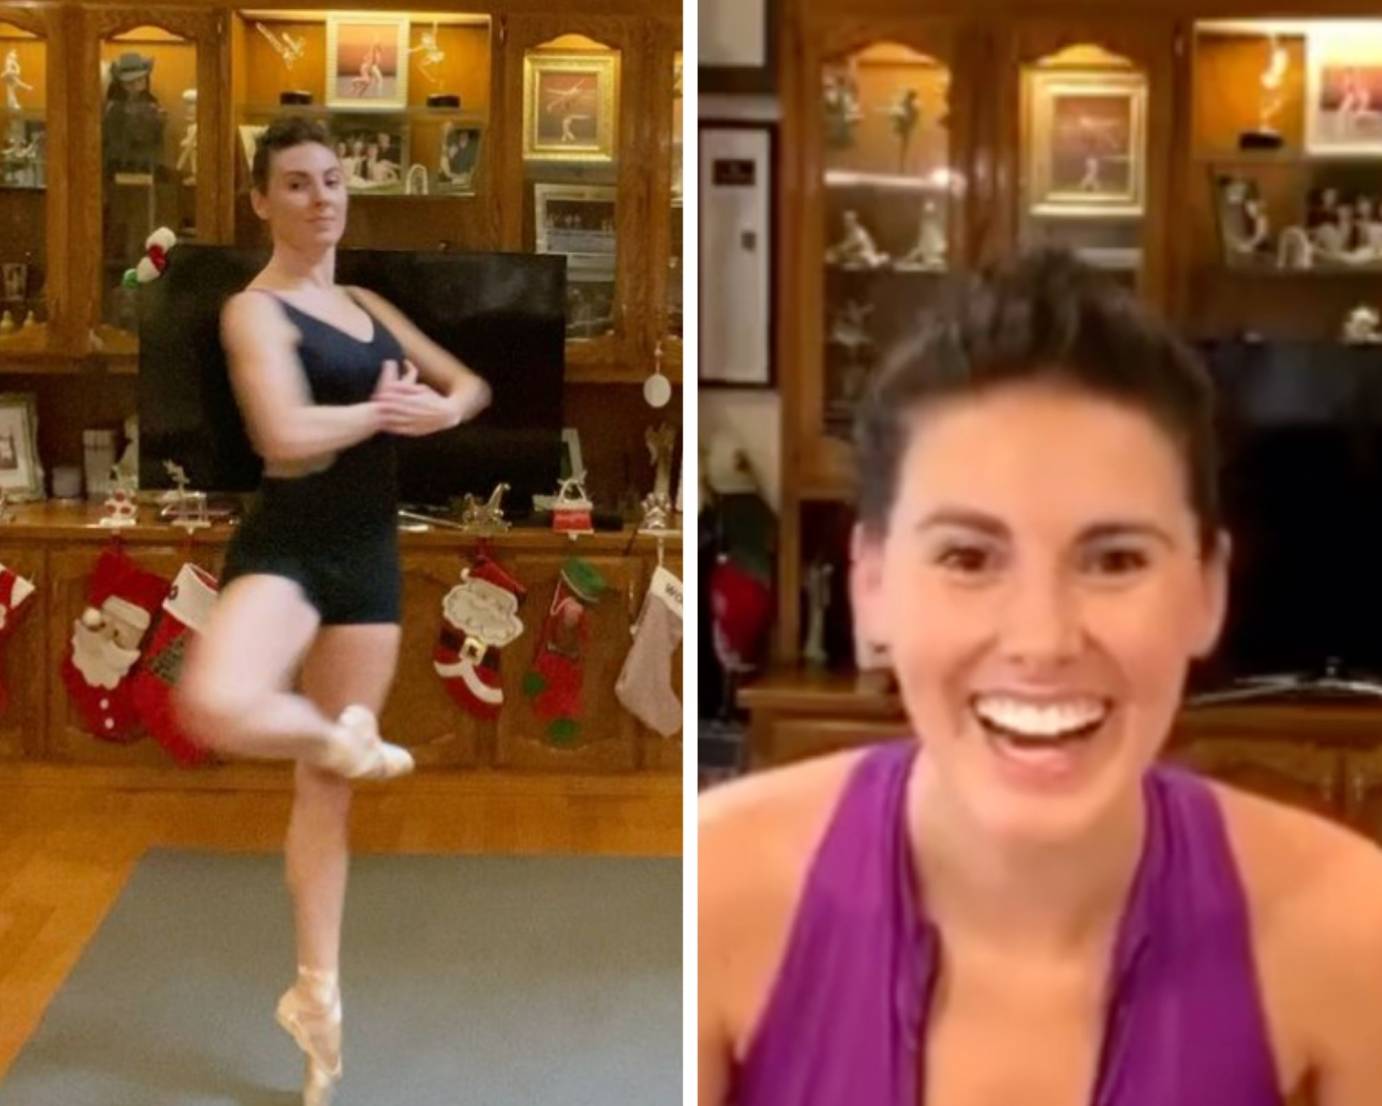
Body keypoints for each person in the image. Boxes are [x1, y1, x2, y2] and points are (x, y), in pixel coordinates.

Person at [699, 249, 1382, 1106]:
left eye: (1116, 559)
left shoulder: (1354, 933)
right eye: (969, 556)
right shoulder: (714, 896)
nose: (1042, 639)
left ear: (1207, 590)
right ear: (871, 587)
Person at [177, 114, 490, 1106]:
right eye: (298, 183)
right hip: (289, 545)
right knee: (216, 704)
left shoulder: (362, 302)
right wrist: (384, 413)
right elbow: (285, 433)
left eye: (332, 180)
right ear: (263, 201)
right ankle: (344, 737)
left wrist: (441, 409)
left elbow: (469, 384)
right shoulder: (252, 310)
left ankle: (318, 1000)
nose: (322, 197)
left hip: (369, 559)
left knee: (327, 788)